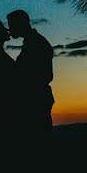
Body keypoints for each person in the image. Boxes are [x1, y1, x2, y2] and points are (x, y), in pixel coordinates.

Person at [6, 9, 54, 142]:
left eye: (11, 25)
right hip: (37, 100)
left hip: (35, 103)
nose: (9, 29)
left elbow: (45, 75)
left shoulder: (35, 43)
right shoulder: (33, 42)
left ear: (19, 24)